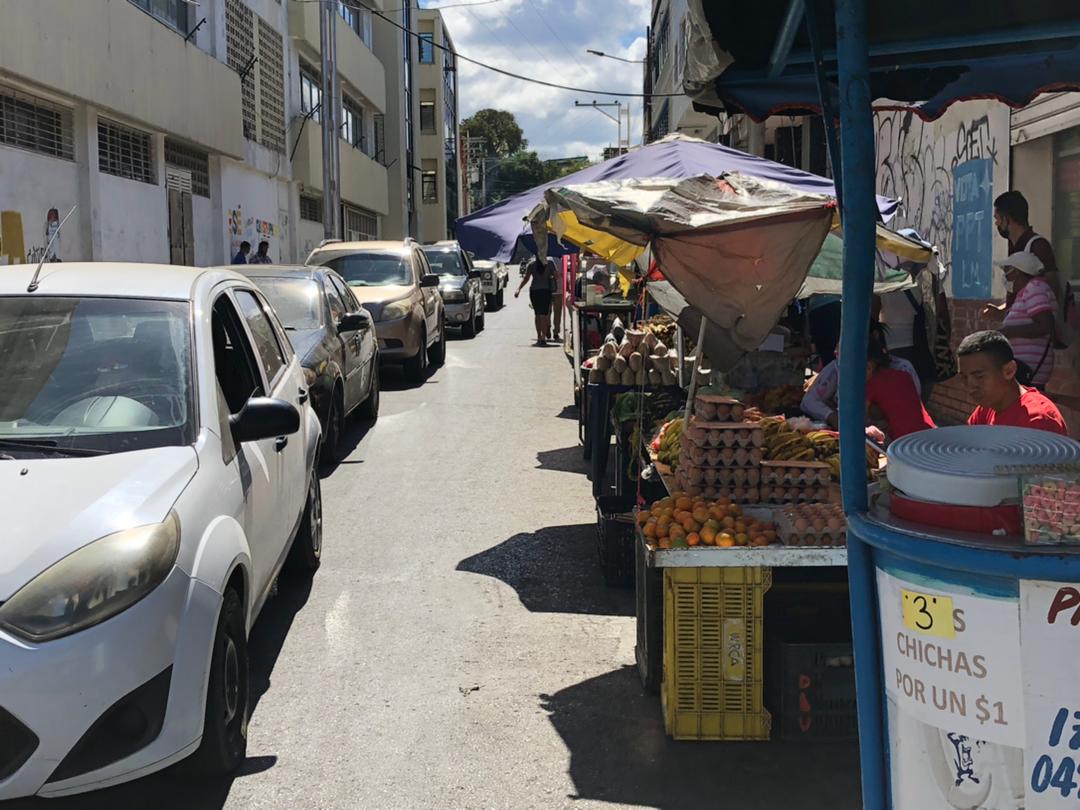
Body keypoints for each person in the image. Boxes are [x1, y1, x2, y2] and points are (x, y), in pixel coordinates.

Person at [802, 325, 923, 429]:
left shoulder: (898, 370)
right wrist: (830, 415)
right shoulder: (901, 375)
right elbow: (809, 401)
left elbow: (857, 419)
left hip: (897, 442)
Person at [993, 190, 1072, 348]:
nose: (996, 224)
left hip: (1035, 345)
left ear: (1007, 219)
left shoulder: (1038, 246)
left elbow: (1048, 294)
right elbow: (1020, 296)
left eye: (997, 219)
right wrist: (1002, 310)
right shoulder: (1015, 248)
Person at [958, 330, 1068, 435]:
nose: (970, 386)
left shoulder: (1036, 420)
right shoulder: (987, 406)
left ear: (1009, 371)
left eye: (979, 376)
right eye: (964, 378)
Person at [985, 252, 1057, 388]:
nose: (1005, 276)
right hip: (1023, 367)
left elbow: (1043, 326)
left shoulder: (1035, 288)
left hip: (1028, 370)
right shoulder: (1026, 291)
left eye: (1007, 271)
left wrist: (1007, 332)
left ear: (1017, 272)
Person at [864, 326, 937, 441]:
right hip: (930, 432)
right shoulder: (904, 375)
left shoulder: (871, 384)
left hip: (905, 442)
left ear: (868, 367)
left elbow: (858, 418)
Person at [514, 253, 556, 346]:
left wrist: (518, 289)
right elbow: (556, 276)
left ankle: (539, 337)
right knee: (544, 315)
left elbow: (526, 278)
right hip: (546, 291)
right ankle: (543, 337)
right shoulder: (550, 263)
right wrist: (550, 277)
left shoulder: (532, 264)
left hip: (534, 291)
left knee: (537, 314)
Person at [550, 258, 564, 341]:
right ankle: (556, 332)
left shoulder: (546, 260)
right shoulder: (561, 261)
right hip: (559, 290)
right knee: (557, 313)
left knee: (547, 312)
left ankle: (547, 327)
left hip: (548, 290)